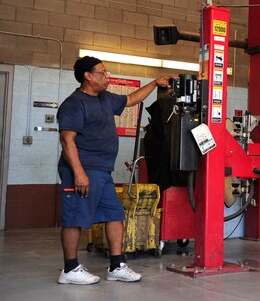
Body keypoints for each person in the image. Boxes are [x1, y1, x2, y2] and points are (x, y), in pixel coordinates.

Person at [56, 55, 175, 285]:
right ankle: (69, 269)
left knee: (115, 215)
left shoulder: (105, 99)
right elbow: (67, 141)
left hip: (103, 172)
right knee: (74, 219)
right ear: (88, 76)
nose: (107, 76)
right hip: (82, 170)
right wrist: (79, 173)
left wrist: (154, 83)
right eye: (102, 73)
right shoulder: (74, 104)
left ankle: (116, 265)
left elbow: (131, 99)